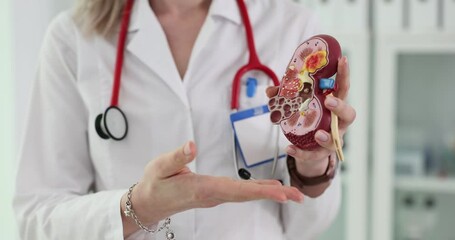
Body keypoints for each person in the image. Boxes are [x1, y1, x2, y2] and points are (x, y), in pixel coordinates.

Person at [13, 0, 356, 239]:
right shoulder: (73, 37)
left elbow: (307, 226)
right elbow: (37, 217)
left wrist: (312, 161)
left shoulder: (289, 25)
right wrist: (139, 207)